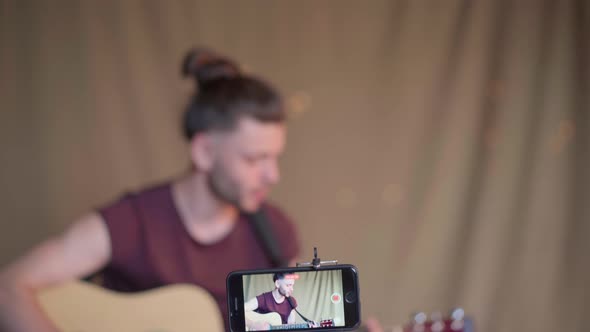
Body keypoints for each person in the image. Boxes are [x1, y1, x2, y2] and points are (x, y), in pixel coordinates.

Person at [0, 48, 300, 332]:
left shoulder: (275, 233)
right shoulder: (132, 221)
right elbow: (8, 288)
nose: (273, 175)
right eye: (254, 159)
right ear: (204, 152)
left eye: (276, 157)